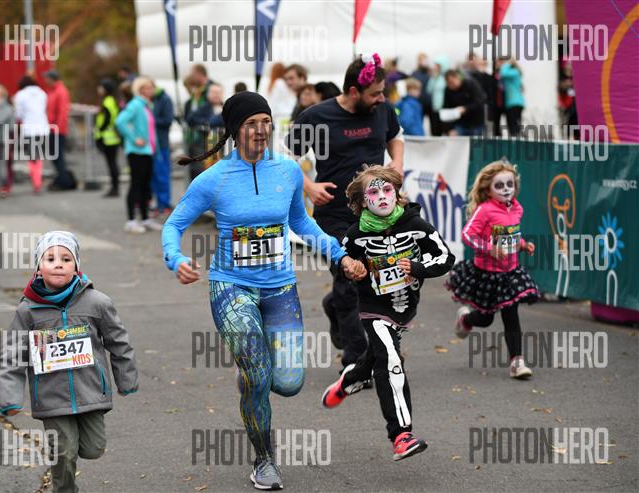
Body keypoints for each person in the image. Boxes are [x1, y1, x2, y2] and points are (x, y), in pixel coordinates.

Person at [162, 91, 365, 490]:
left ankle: (252, 379)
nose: (260, 130)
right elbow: (174, 224)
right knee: (258, 372)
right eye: (251, 124)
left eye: (266, 122)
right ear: (234, 130)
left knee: (288, 383)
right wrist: (176, 258)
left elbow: (301, 223)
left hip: (279, 288)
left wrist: (340, 256)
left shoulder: (288, 171)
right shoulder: (214, 179)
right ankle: (264, 460)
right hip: (231, 286)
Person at [321, 165, 453, 461]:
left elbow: (446, 257)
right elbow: (340, 263)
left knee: (378, 355)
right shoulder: (356, 235)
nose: (381, 196)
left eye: (387, 189)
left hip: (405, 306)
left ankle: (350, 380)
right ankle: (401, 434)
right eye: (373, 191)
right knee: (391, 359)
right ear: (362, 201)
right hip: (373, 307)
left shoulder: (417, 225)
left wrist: (418, 268)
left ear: (396, 193)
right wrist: (350, 269)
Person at [286, 53, 404, 369]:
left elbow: (396, 136)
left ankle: (333, 306)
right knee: (350, 278)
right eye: (375, 94)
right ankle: (356, 359)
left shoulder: (382, 110)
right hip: (334, 213)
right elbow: (288, 157)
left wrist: (398, 163)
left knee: (376, 281)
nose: (382, 99)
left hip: (376, 213)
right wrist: (308, 186)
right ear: (354, 91)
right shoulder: (316, 116)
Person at [0, 230, 138, 493]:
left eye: (66, 259)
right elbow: (12, 355)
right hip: (51, 397)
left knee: (94, 449)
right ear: (38, 267)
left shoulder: (97, 303)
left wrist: (126, 379)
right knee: (64, 451)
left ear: (76, 266)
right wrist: (10, 398)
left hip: (91, 391)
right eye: (50, 259)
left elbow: (119, 342)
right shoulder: (27, 310)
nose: (58, 264)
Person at [445, 159, 539, 379]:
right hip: (486, 274)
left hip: (510, 272)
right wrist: (490, 249)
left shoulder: (517, 208)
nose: (506, 189)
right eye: (499, 185)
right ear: (488, 190)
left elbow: (511, 235)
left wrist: (523, 245)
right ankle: (466, 319)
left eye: (510, 184)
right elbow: (467, 235)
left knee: (511, 314)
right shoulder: (485, 210)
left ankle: (517, 363)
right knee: (485, 319)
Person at [115, 77, 160, 234]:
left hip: (147, 151)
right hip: (136, 151)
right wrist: (134, 138)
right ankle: (131, 220)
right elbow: (120, 122)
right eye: (148, 87)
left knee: (145, 186)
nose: (151, 90)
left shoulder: (146, 105)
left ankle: (145, 218)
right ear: (140, 90)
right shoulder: (135, 105)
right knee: (136, 184)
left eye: (152, 87)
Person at [13, 76, 49, 194]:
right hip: (42, 127)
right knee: (39, 156)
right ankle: (38, 180)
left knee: (32, 156)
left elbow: (18, 114)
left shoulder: (20, 95)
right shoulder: (42, 93)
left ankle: (36, 182)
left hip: (29, 128)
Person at [43, 70, 76, 191]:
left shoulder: (61, 91)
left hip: (57, 130)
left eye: (47, 78)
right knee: (55, 156)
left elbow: (62, 112)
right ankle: (62, 178)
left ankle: (64, 181)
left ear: (52, 78)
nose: (45, 80)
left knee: (58, 156)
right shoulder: (52, 91)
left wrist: (58, 128)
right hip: (52, 129)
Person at [183, 65, 214, 181]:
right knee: (195, 167)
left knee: (204, 167)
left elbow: (207, 114)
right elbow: (189, 116)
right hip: (194, 136)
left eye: (193, 73)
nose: (191, 76)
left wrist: (194, 118)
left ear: (199, 74)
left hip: (206, 134)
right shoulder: (196, 93)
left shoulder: (211, 89)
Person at [148, 80, 174, 214]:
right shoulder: (148, 101)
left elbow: (168, 120)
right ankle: (158, 204)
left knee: (162, 175)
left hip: (161, 144)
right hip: (150, 144)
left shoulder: (164, 99)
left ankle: (165, 204)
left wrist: (150, 120)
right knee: (153, 176)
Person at [94, 79, 122, 197]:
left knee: (112, 164)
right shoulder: (112, 100)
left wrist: (100, 131)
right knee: (113, 163)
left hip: (107, 138)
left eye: (101, 87)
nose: (98, 89)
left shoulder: (107, 101)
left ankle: (114, 188)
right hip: (112, 137)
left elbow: (107, 119)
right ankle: (115, 187)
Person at [443, 69, 486, 136]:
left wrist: (465, 108)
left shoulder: (471, 84)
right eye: (448, 83)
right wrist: (449, 129)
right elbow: (447, 108)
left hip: (476, 123)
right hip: (460, 124)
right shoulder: (448, 90)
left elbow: (480, 102)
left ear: (457, 77)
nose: (451, 85)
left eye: (452, 82)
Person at [497, 58, 525, 137]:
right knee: (511, 125)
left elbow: (503, 73)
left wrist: (506, 64)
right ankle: (515, 138)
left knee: (514, 126)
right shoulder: (511, 73)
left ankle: (516, 140)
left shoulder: (514, 72)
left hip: (515, 102)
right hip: (510, 103)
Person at [425, 55, 449, 136]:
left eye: (438, 65)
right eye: (435, 65)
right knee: (435, 131)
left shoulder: (447, 77)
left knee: (445, 131)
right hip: (434, 109)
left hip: (445, 109)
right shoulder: (435, 77)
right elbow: (429, 90)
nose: (436, 67)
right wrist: (433, 78)